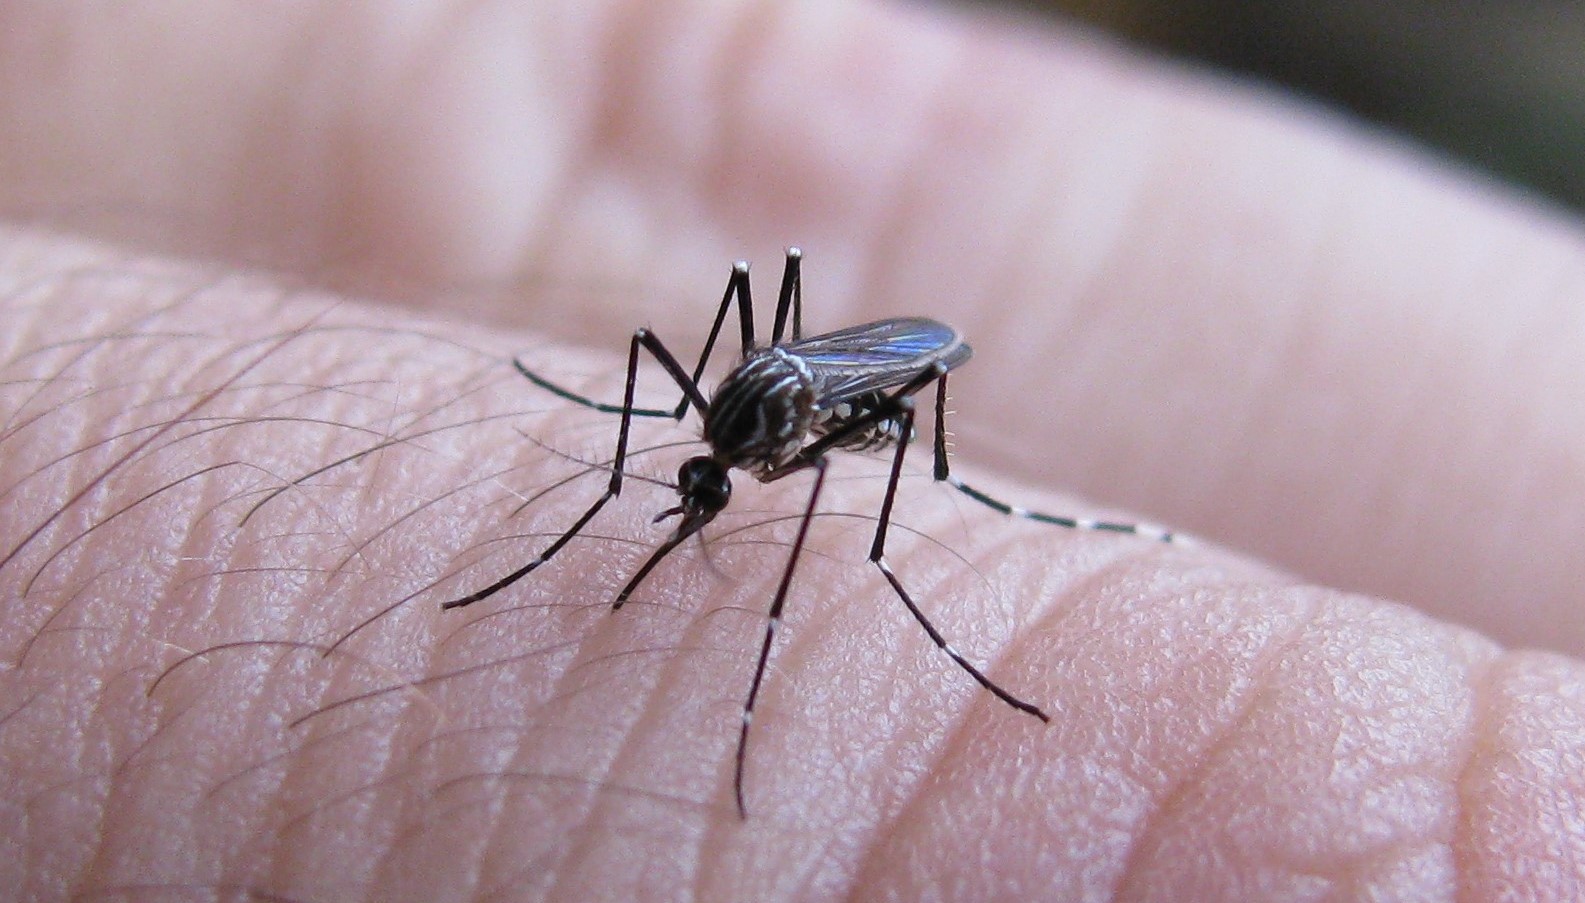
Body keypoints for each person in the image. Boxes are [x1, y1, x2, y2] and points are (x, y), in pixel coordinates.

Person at [0, 3, 1578, 900]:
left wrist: (883, 512)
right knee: (720, 356)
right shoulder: (705, 430)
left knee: (847, 455)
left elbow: (835, 396)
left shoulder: (781, 431)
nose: (693, 511)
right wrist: (612, 496)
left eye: (689, 495)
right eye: (691, 490)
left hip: (854, 373)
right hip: (776, 380)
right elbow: (685, 412)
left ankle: (935, 521)